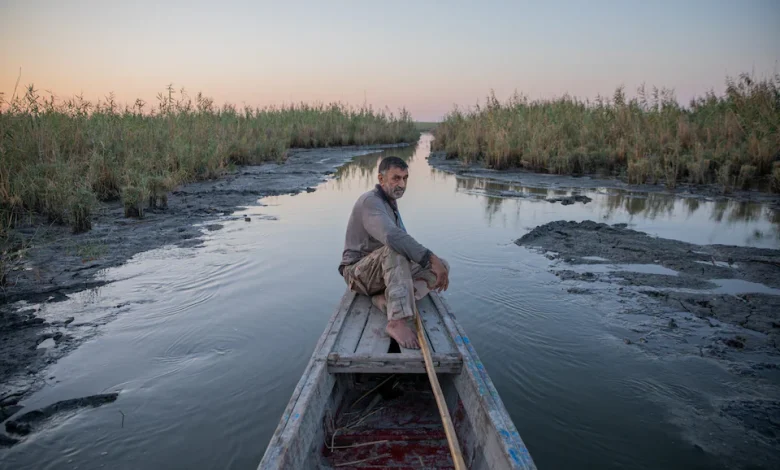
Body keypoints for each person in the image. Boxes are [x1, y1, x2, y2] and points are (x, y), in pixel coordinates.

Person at [338, 156, 450, 349]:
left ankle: (386, 302)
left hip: (383, 271)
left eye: (405, 178)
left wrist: (434, 263)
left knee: (442, 266)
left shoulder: (389, 203)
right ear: (381, 179)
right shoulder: (370, 202)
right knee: (397, 250)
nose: (402, 184)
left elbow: (402, 242)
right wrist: (429, 258)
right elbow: (391, 237)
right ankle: (397, 321)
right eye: (396, 178)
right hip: (357, 274)